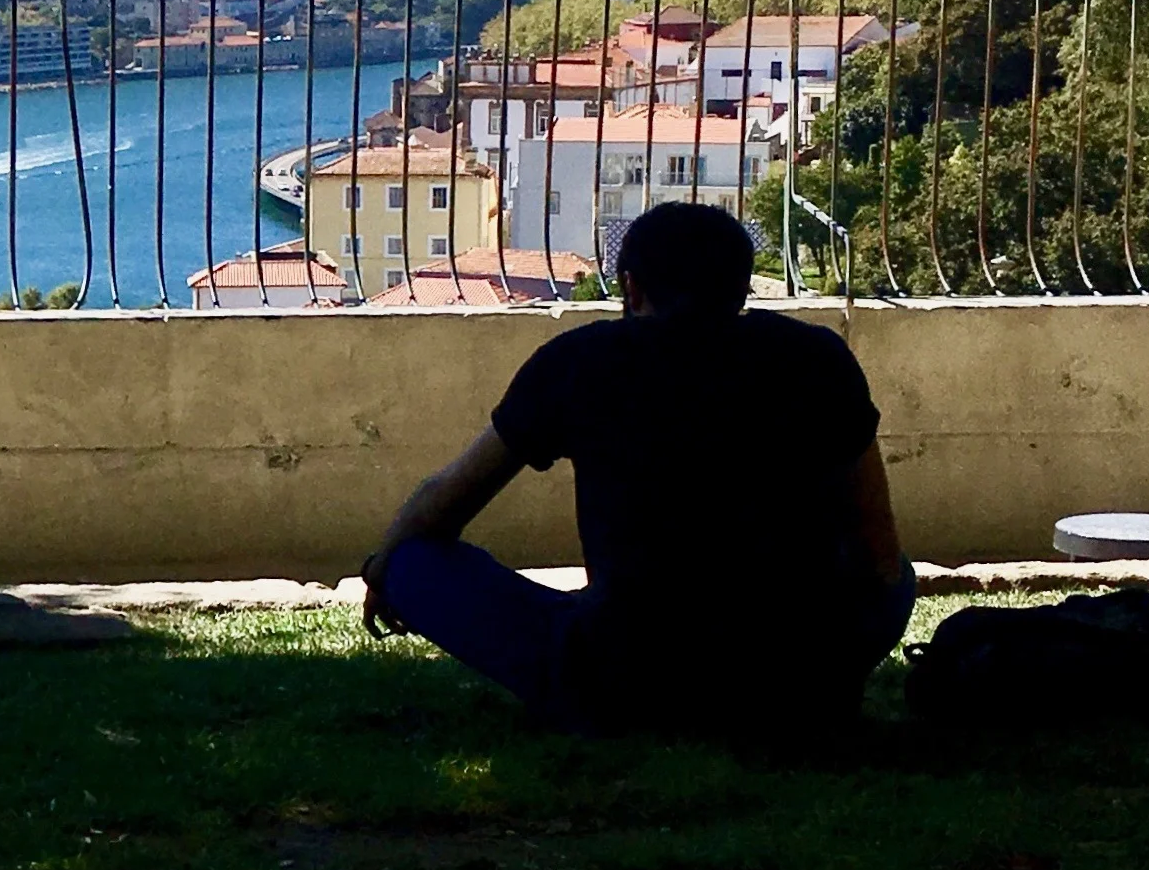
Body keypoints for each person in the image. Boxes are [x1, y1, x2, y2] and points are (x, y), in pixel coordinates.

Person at [363, 200, 914, 749]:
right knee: (899, 578)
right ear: (743, 288)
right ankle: (793, 698)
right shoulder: (816, 357)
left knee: (415, 562)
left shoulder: (580, 361)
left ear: (630, 286)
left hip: (620, 678)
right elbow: (879, 553)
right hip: (795, 675)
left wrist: (383, 568)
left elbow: (447, 499)